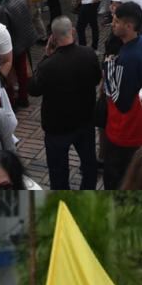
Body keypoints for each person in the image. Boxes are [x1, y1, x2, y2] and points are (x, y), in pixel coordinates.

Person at [27, 17, 101, 190]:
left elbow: (34, 89)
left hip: (56, 128)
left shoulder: (48, 65)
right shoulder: (88, 54)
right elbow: (97, 79)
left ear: (53, 37)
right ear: (73, 31)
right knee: (89, 164)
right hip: (84, 122)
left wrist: (46, 56)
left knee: (58, 172)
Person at [100, 1, 142, 188]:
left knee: (116, 178)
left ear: (128, 26)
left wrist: (108, 68)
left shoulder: (126, 58)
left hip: (124, 131)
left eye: (116, 21)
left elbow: (121, 102)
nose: (113, 24)